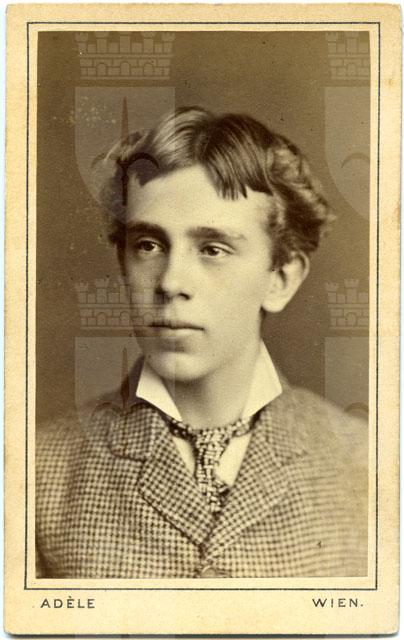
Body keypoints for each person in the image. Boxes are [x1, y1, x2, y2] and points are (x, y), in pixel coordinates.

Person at [36, 106, 368, 579]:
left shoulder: (365, 465)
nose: (171, 282)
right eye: (148, 245)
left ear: (280, 278)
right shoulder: (36, 472)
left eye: (213, 249)